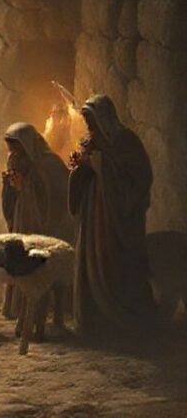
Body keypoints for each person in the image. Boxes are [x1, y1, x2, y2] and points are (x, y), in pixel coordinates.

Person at [69, 94, 156, 334]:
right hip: (94, 215)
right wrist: (80, 167)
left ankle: (122, 319)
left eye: (92, 121)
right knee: (92, 259)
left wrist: (97, 161)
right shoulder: (93, 140)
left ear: (103, 118)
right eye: (87, 122)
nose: (89, 127)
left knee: (115, 262)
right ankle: (94, 318)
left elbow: (138, 178)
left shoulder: (126, 141)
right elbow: (87, 172)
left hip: (116, 220)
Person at [1, 122, 76, 318]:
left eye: (16, 147)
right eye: (11, 148)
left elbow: (57, 196)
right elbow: (14, 188)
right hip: (22, 215)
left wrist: (26, 186)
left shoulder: (50, 163)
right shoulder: (15, 159)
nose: (13, 152)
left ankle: (48, 309)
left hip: (42, 221)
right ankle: (20, 307)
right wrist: (10, 186)